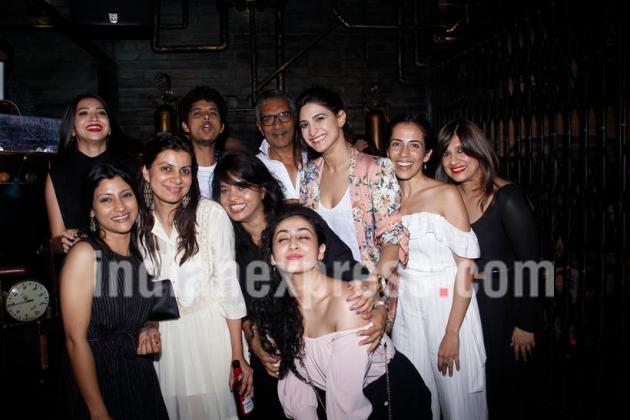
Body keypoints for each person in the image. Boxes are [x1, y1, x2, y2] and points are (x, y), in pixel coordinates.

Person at [212, 152, 383, 419]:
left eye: (242, 186)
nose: (233, 197)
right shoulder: (227, 245)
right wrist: (254, 341)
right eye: (224, 190)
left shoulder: (297, 222)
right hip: (278, 353)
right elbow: (241, 308)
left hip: (332, 340)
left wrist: (379, 309)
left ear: (263, 189)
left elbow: (353, 271)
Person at [254, 205, 432, 419]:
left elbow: (346, 408)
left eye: (303, 237)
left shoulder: (349, 304)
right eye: (283, 239)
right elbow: (297, 385)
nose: (293, 244)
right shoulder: (276, 309)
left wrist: (379, 305)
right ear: (272, 257)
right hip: (332, 402)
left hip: (389, 400)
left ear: (321, 251)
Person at [138, 133, 251, 420]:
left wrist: (238, 355)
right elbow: (147, 288)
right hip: (167, 343)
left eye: (185, 170)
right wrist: (150, 323)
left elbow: (228, 289)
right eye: (166, 168)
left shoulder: (211, 215)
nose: (177, 179)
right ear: (146, 172)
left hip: (212, 333)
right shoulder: (137, 224)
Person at [436, 119, 542, 420]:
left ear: (479, 150)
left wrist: (526, 323)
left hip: (504, 306)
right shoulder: (450, 196)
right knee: (479, 386)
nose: (454, 160)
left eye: (462, 150)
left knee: (506, 388)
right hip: (469, 303)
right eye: (446, 153)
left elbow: (533, 263)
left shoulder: (506, 197)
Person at [387, 115, 487, 420]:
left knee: (460, 405)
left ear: (428, 154)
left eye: (414, 145)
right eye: (396, 144)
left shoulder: (446, 195)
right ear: (387, 151)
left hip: (448, 307)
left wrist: (452, 332)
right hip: (407, 312)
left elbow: (466, 269)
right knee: (416, 403)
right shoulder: (386, 200)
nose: (404, 154)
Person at [60, 163, 168, 419]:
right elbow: (75, 341)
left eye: (126, 195)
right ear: (91, 210)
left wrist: (150, 325)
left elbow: (151, 307)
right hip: (99, 380)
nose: (120, 207)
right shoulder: (85, 254)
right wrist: (97, 411)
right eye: (106, 199)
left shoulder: (143, 254)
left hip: (140, 377)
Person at [297, 86, 408, 323]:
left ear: (340, 118)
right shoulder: (308, 175)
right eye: (304, 124)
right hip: (327, 292)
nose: (312, 131)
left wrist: (374, 286)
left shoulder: (376, 169)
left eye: (320, 119)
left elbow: (392, 240)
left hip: (370, 290)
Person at [45, 93, 136, 254]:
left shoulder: (131, 167)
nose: (94, 118)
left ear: (110, 128)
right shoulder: (58, 173)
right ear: (72, 129)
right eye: (83, 113)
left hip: (127, 257)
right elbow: (56, 240)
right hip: (80, 261)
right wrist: (65, 241)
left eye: (101, 112)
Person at [255, 89, 308, 201]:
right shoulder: (255, 167)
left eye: (284, 116)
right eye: (268, 119)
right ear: (260, 127)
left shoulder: (317, 157)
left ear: (295, 120)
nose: (278, 125)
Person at [179, 85, 228, 198]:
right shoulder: (177, 173)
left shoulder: (231, 170)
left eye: (213, 113)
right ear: (185, 126)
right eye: (197, 113)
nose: (206, 116)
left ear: (222, 127)